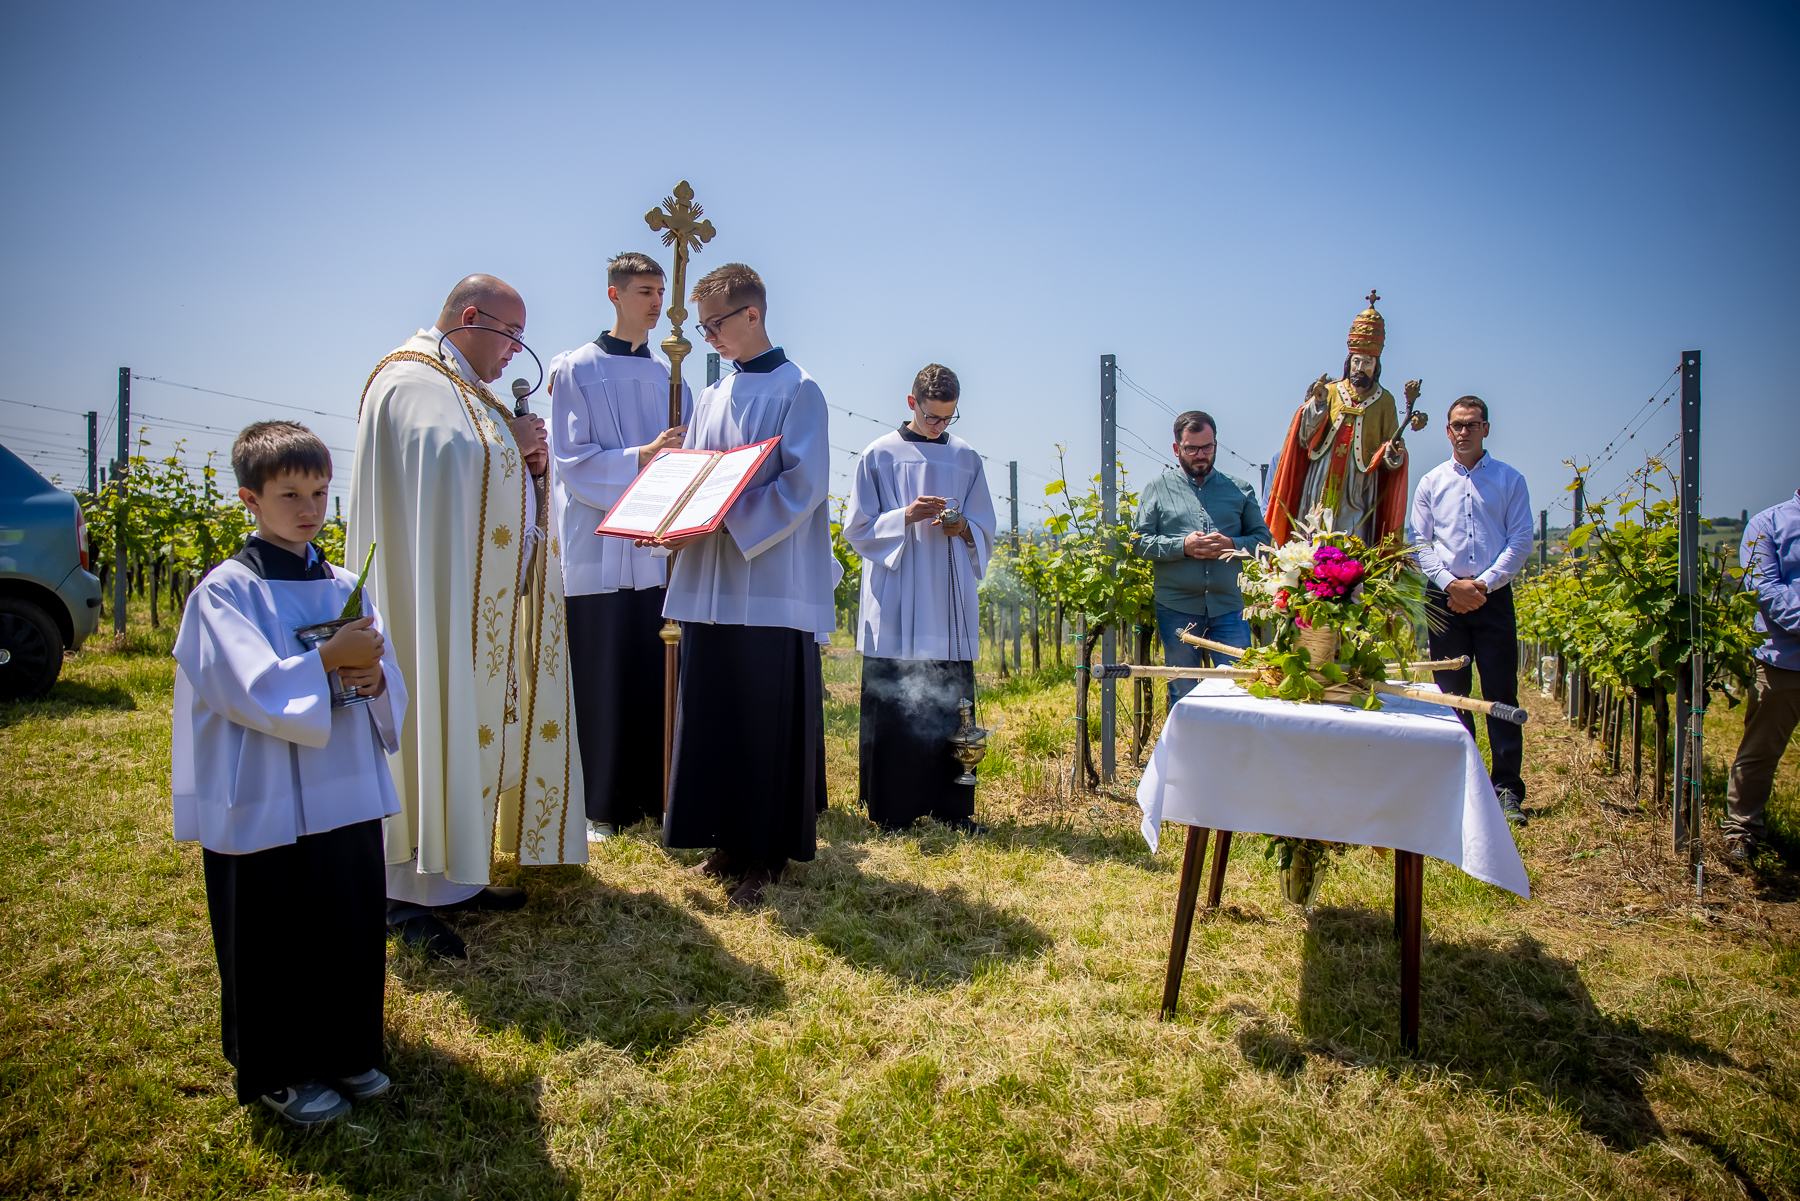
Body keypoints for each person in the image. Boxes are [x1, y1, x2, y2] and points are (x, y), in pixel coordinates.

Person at [172, 422, 407, 1126]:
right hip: (266, 792)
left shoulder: (344, 584)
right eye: (289, 494)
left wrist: (372, 674)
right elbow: (244, 689)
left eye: (319, 492)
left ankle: (345, 1047)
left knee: (348, 917)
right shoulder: (225, 593)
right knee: (270, 930)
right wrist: (330, 660)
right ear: (250, 498)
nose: (308, 508)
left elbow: (380, 672)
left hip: (343, 786)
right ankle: (275, 1067)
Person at [348, 275, 586, 959]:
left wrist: (525, 460)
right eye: (511, 333)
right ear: (469, 316)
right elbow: (448, 464)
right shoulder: (410, 379)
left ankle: (459, 876)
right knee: (431, 718)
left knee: (471, 724)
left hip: (471, 603)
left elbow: (481, 467)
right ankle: (403, 890)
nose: (516, 350)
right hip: (427, 606)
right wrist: (507, 445)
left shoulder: (462, 389)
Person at [650, 263, 834, 908]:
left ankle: (766, 853)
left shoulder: (798, 389)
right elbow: (698, 476)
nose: (709, 339)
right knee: (714, 709)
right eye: (702, 328)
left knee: (761, 715)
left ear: (752, 315)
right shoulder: (713, 394)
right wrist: (672, 515)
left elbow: (804, 486)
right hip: (709, 575)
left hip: (768, 576)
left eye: (716, 325)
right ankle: (723, 837)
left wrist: (731, 520)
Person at [548, 252, 692, 842]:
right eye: (644, 291)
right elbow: (572, 465)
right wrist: (642, 458)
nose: (657, 302)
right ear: (614, 295)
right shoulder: (575, 368)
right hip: (598, 551)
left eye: (661, 291)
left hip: (657, 550)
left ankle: (658, 795)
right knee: (603, 674)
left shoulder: (670, 377)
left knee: (654, 670)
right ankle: (601, 803)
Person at [844, 363, 997, 831]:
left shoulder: (966, 457)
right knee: (896, 700)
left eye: (949, 418)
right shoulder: (879, 454)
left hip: (948, 597)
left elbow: (985, 525)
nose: (940, 426)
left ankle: (952, 809)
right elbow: (857, 529)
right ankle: (892, 808)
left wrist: (964, 527)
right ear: (912, 403)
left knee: (950, 703)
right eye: (933, 417)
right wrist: (904, 516)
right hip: (898, 596)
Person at [1411, 396, 1533, 825]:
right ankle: (1460, 784)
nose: (1463, 431)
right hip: (1443, 599)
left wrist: (1482, 584)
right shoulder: (1430, 482)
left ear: (1485, 429)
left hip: (1492, 598)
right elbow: (1419, 543)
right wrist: (1451, 585)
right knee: (1451, 695)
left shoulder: (1510, 480)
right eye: (1457, 425)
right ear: (1447, 431)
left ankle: (1506, 791)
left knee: (1500, 691)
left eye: (1472, 424)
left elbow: (1520, 540)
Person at [1133, 410, 1270, 703]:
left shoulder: (1240, 490)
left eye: (1207, 447)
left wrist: (1231, 543)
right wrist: (1182, 545)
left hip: (1229, 605)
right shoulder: (1157, 488)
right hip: (1177, 607)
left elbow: (1263, 540)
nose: (1200, 455)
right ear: (1176, 449)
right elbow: (1139, 543)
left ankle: (1233, 749)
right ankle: (1186, 750)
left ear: (1216, 445)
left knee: (1239, 686)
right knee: (1183, 690)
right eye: (1191, 448)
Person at [1265, 291, 1419, 546]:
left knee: (1353, 536)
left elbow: (1390, 450)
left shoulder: (1385, 400)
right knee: (1312, 532)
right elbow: (1303, 438)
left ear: (1376, 366)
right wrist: (1318, 405)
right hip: (1321, 476)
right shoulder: (1331, 391)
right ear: (1349, 362)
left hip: (1359, 483)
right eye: (1357, 361)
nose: (1361, 368)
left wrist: (1393, 455)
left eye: (1368, 362)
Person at [1724, 490, 1800, 864]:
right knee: (1760, 752)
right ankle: (1743, 832)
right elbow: (1765, 590)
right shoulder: (1766, 525)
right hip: (1782, 663)